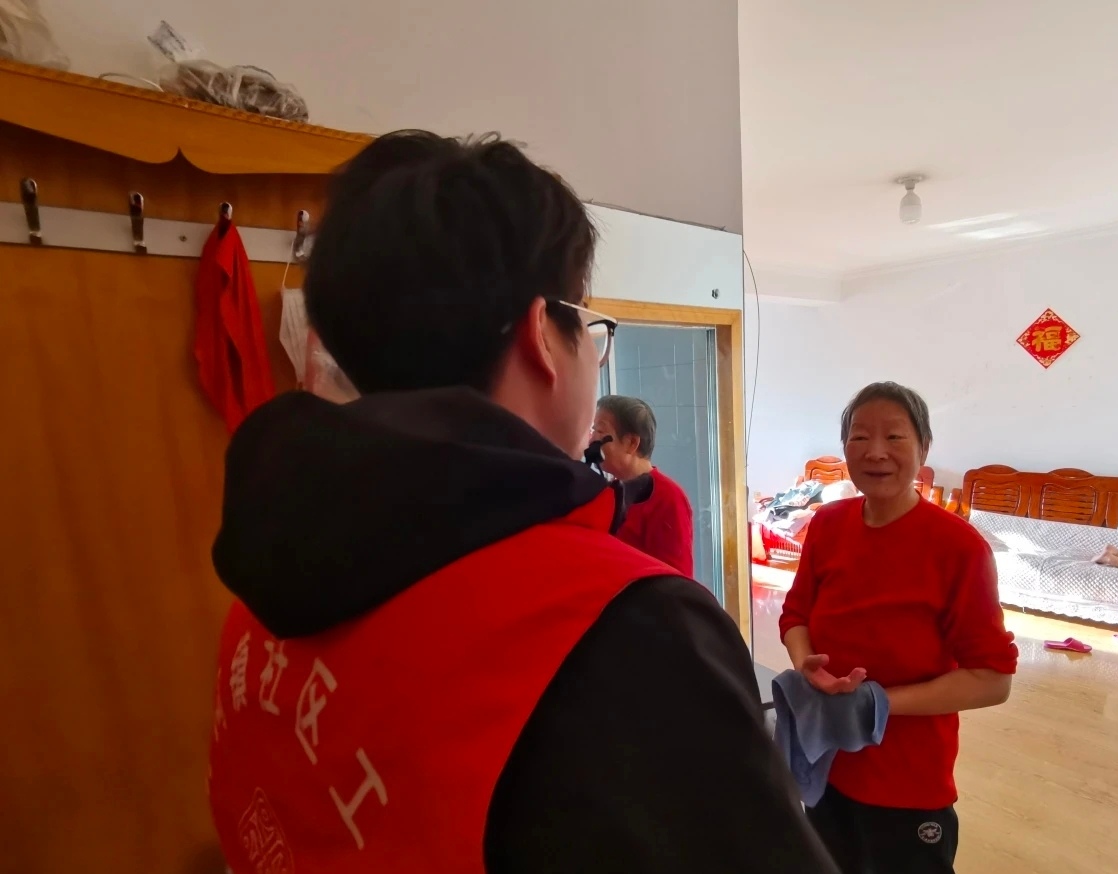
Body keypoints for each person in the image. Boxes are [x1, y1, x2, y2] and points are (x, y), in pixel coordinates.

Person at [206, 130, 839, 874]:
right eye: (591, 327)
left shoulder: (269, 574)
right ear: (543, 332)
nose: (594, 357)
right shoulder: (629, 630)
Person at [780, 381, 1018, 874]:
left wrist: (878, 704)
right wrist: (807, 666)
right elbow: (796, 614)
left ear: (923, 448)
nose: (875, 452)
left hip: (907, 782)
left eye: (894, 437)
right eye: (859, 436)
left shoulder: (958, 548)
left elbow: (993, 679)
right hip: (826, 764)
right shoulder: (827, 524)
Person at [591, 394, 696, 576]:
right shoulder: (609, 491)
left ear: (632, 443)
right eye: (593, 430)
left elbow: (675, 579)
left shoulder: (668, 497)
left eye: (600, 431)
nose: (592, 440)